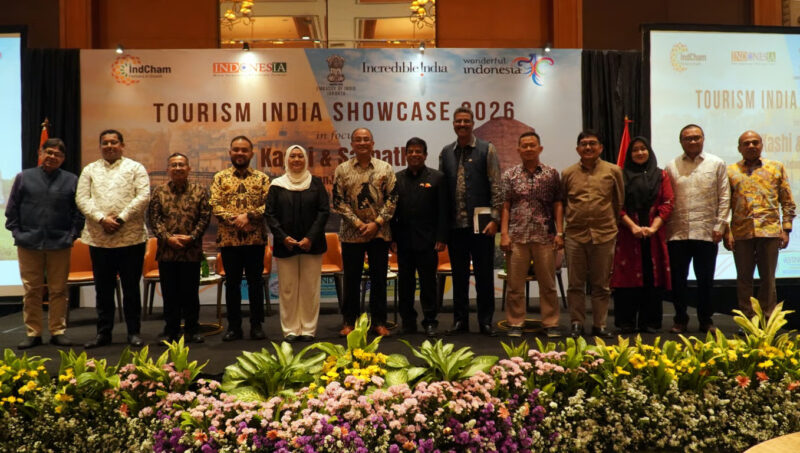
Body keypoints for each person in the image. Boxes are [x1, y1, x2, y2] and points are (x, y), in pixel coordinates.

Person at [5, 138, 84, 349]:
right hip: (28, 243)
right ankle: (34, 332)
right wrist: (17, 233)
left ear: (63, 158)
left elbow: (78, 212)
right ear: (40, 153)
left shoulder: (71, 180)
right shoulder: (24, 177)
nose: (52, 157)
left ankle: (58, 331)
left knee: (58, 290)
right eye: (49, 152)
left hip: (60, 243)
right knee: (32, 290)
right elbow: (11, 209)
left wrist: (72, 235)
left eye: (57, 154)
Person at [76, 129, 150, 348]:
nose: (109, 146)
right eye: (105, 143)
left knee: (131, 289)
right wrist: (101, 219)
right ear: (100, 146)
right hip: (99, 239)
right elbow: (81, 198)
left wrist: (120, 218)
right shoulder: (90, 169)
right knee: (103, 290)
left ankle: (133, 332)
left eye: (114, 142)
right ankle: (103, 333)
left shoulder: (135, 168)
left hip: (131, 238)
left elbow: (143, 196)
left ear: (122, 145)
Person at [439, 106, 503, 336]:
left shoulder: (487, 149)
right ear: (453, 124)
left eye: (466, 121)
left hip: (482, 225)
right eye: (458, 121)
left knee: (484, 275)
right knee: (459, 277)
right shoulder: (446, 152)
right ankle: (460, 321)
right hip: (456, 226)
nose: (462, 125)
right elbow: (442, 192)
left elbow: (497, 186)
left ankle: (485, 321)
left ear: (473, 123)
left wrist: (495, 219)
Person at [332, 127, 397, 337]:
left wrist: (376, 223)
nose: (362, 143)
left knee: (379, 279)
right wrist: (358, 223)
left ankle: (378, 322)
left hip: (379, 233)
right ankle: (349, 322)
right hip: (352, 234)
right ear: (352, 144)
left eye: (366, 139)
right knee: (351, 280)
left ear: (372, 143)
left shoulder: (385, 168)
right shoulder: (342, 169)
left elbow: (393, 199)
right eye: (358, 140)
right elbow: (338, 201)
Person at [666, 124, 729, 334]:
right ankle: (680, 320)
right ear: (681, 141)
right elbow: (666, 199)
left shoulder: (717, 163)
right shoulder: (671, 166)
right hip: (677, 232)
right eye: (688, 138)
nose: (692, 141)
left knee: (705, 281)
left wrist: (720, 225)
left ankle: (706, 321)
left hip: (707, 231)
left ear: (703, 139)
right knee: (678, 281)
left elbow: (724, 196)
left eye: (696, 137)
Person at [724, 130, 794, 320]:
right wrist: (726, 232)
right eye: (746, 143)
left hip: (770, 232)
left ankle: (767, 320)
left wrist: (786, 229)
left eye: (755, 142)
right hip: (741, 233)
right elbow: (724, 205)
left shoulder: (776, 167)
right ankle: (748, 320)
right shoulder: (730, 171)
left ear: (761, 145)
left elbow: (787, 201)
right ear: (739, 148)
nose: (751, 146)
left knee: (768, 280)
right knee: (744, 280)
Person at [500, 131, 564, 338]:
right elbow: (505, 206)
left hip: (545, 236)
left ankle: (550, 323)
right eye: (524, 146)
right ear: (518, 149)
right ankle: (515, 323)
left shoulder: (551, 174)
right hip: (517, 236)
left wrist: (560, 232)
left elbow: (558, 204)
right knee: (515, 285)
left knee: (548, 285)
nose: (528, 149)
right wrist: (504, 234)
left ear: (540, 148)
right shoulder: (509, 175)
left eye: (532, 145)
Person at [561, 130, 624, 339]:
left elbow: (618, 202)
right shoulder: (568, 173)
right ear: (577, 148)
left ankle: (600, 324)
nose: (588, 147)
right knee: (575, 284)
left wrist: (610, 225)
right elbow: (564, 202)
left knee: (601, 285)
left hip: (604, 235)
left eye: (592, 143)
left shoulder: (613, 171)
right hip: (575, 236)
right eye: (584, 144)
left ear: (600, 147)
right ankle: (576, 323)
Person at [265, 145, 330, 342]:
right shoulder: (277, 185)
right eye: (292, 156)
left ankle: (308, 329)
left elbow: (323, 211)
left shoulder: (315, 183)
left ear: (305, 160)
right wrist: (283, 237)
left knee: (310, 288)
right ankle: (291, 329)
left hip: (312, 244)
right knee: (287, 288)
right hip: (285, 244)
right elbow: (270, 214)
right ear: (286, 160)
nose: (296, 159)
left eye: (300, 156)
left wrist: (310, 237)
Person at [209, 135, 270, 342]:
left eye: (244, 150)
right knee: (232, 285)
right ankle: (234, 327)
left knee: (255, 284)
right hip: (229, 241)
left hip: (255, 240)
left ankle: (256, 325)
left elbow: (269, 205)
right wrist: (236, 220)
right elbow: (215, 204)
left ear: (251, 153)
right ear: (230, 153)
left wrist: (249, 216)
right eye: (236, 149)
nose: (240, 153)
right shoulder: (220, 178)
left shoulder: (262, 178)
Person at [611, 137, 674, 334]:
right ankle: (626, 322)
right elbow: (616, 205)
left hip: (653, 233)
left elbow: (668, 203)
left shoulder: (661, 175)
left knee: (651, 276)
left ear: (649, 152)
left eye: (643, 149)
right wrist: (633, 227)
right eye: (635, 150)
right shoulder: (621, 176)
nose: (639, 153)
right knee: (627, 276)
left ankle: (650, 321)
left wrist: (653, 228)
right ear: (629, 155)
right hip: (628, 234)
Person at [147, 153, 211, 344]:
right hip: (167, 252)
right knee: (170, 295)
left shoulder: (200, 191)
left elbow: (204, 217)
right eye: (174, 165)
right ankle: (171, 331)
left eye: (181, 165)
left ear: (188, 168)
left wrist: (192, 237)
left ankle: (192, 329)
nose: (177, 168)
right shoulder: (159, 191)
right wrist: (168, 238)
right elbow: (154, 219)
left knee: (190, 294)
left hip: (191, 251)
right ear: (168, 169)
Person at [391, 137, 448, 337]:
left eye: (418, 151)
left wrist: (442, 237)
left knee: (428, 284)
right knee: (405, 284)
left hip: (429, 241)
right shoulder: (396, 179)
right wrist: (392, 238)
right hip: (403, 241)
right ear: (405, 155)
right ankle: (408, 322)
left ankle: (430, 321)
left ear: (425, 155)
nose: (414, 154)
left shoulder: (437, 178)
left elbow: (444, 211)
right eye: (411, 151)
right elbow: (392, 212)